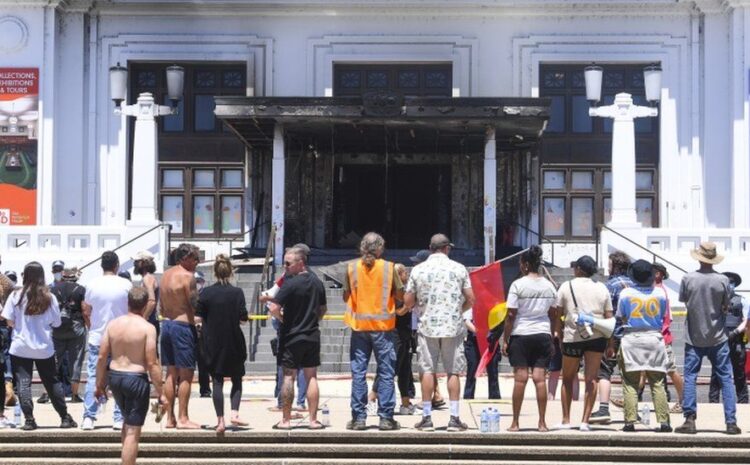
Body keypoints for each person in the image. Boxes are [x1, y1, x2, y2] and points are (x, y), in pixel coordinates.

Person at [405, 234, 475, 432]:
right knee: (453, 371)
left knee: (428, 370)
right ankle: (454, 418)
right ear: (447, 248)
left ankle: (427, 417)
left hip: (428, 326)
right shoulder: (459, 268)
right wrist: (458, 310)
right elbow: (471, 298)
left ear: (430, 248)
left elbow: (408, 300)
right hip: (452, 326)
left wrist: (420, 308)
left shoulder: (418, 270)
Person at [1, 261, 77, 430]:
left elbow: (9, 320)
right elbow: (57, 322)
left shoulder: (16, 295)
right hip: (44, 347)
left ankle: (29, 419)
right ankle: (64, 417)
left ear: (25, 275)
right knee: (52, 382)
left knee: (23, 382)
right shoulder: (49, 297)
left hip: (20, 346)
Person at [94, 286, 165, 465]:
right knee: (134, 431)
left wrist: (99, 384)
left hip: (115, 376)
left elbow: (102, 356)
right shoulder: (147, 328)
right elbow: (151, 362)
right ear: (145, 305)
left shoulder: (113, 324)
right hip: (135, 378)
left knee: (127, 422)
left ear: (128, 302)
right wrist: (161, 392)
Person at [675, 241, 740, 435]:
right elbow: (725, 306)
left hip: (694, 336)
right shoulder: (722, 280)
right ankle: (730, 421)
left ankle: (690, 418)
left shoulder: (688, 278)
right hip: (718, 336)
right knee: (726, 378)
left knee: (690, 377)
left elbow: (685, 301)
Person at [343, 232, 402, 431]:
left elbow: (345, 295)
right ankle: (386, 417)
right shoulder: (389, 268)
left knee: (358, 373)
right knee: (386, 373)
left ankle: (359, 418)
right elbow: (400, 294)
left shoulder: (351, 268)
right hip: (383, 329)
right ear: (380, 248)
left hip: (359, 328)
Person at [550, 255, 612, 431]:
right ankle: (585, 421)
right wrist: (610, 343)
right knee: (591, 378)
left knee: (568, 378)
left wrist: (559, 334)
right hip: (597, 336)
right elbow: (609, 317)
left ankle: (566, 419)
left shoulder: (566, 286)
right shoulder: (602, 288)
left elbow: (558, 314)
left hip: (573, 335)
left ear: (578, 269)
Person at [269, 246, 326, 429]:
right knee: (311, 376)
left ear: (300, 263)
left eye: (288, 263)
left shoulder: (290, 283)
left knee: (288, 376)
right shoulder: (317, 282)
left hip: (291, 335)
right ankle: (313, 420)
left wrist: (284, 320)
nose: (285, 266)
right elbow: (323, 309)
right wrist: (312, 320)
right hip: (311, 334)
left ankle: (285, 420)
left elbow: (274, 307)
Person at [501, 246, 556, 432]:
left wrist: (506, 339)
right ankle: (542, 423)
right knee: (540, 379)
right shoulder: (549, 286)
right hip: (542, 334)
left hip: (521, 334)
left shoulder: (518, 285)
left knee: (520, 379)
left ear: (525, 265)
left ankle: (515, 423)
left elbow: (510, 315)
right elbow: (554, 313)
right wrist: (553, 335)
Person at [612, 260, 671, 432]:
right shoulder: (660, 293)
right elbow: (662, 315)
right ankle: (664, 421)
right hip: (654, 336)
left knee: (630, 382)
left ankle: (630, 420)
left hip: (632, 337)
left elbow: (621, 316)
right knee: (658, 381)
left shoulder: (626, 293)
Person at [197, 254, 248, 434]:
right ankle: (235, 412)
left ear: (214, 272)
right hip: (233, 339)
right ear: (231, 271)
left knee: (216, 381)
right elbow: (243, 319)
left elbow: (198, 317)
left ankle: (220, 420)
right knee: (237, 379)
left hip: (213, 341)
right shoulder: (237, 292)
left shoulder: (206, 293)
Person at [81, 251, 132, 430]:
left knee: (94, 377)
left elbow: (86, 309)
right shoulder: (126, 284)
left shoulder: (92, 284)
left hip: (98, 336)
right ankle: (118, 417)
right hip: (121, 336)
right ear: (117, 265)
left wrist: (92, 325)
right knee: (120, 377)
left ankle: (89, 416)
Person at [159, 243, 201, 429]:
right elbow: (195, 305)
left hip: (167, 324)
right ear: (184, 258)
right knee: (186, 374)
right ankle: (183, 418)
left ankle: (170, 418)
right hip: (183, 326)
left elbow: (161, 306)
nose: (197, 262)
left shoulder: (165, 275)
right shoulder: (187, 277)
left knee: (170, 372)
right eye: (194, 258)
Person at [590, 251, 632, 424]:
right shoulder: (635, 284)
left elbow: (607, 314)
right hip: (632, 335)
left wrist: (609, 341)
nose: (607, 267)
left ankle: (604, 409)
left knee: (604, 373)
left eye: (609, 264)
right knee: (629, 375)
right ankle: (632, 410)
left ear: (615, 265)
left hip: (613, 335)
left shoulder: (610, 286)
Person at [409, 250, 445, 411]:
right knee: (428, 365)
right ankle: (436, 394)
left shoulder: (420, 277)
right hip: (421, 324)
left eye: (417, 262)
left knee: (425, 365)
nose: (414, 265)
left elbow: (410, 301)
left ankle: (430, 399)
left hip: (423, 325)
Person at [708, 271, 748, 404]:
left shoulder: (742, 300)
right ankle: (713, 402)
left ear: (735, 284)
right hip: (720, 339)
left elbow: (746, 320)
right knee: (716, 373)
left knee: (739, 373)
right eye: (727, 282)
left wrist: (736, 332)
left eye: (732, 283)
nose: (729, 285)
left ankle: (743, 401)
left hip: (736, 340)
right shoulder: (715, 300)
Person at [49, 268, 86, 403]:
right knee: (76, 360)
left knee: (53, 360)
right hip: (76, 326)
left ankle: (48, 393)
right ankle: (74, 394)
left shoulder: (53, 290)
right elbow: (85, 309)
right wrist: (87, 324)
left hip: (58, 327)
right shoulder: (81, 289)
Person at [652, 263, 685, 413]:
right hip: (659, 336)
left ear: (658, 274)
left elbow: (664, 318)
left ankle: (684, 400)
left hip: (661, 337)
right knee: (641, 370)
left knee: (671, 370)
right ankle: (629, 398)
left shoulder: (658, 291)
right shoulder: (659, 290)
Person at [463, 309, 502, 400]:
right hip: (474, 340)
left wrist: (492, 334)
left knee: (493, 371)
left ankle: (494, 397)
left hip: (491, 340)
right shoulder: (472, 302)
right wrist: (479, 332)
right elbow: (466, 320)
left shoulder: (494, 303)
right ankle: (468, 396)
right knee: (472, 369)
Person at [0, 255, 16, 409]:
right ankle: (8, 387)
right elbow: (13, 290)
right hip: (2, 323)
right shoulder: (5, 281)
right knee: (5, 358)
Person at [194, 271, 212, 398]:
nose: (197, 284)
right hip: (188, 330)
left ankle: (205, 390)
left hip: (202, 332)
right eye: (195, 282)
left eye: (199, 281)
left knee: (203, 363)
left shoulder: (206, 297)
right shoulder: (186, 296)